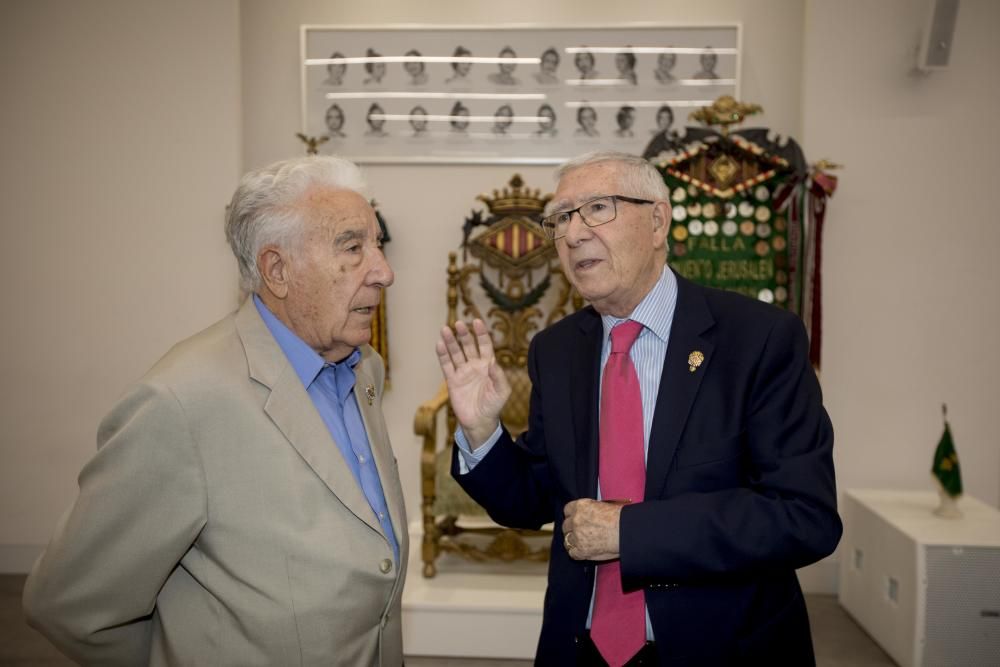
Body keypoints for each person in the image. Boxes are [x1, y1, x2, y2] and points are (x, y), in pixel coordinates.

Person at [435, 152, 841, 665]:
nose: (574, 234)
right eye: (560, 219)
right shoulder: (556, 350)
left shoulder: (759, 339)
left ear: (657, 220)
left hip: (720, 648)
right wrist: (481, 431)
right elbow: (535, 498)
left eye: (597, 208)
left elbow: (804, 517)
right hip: (580, 648)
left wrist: (629, 532)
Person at [23, 155, 408, 666]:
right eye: (353, 247)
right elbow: (66, 604)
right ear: (277, 269)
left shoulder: (364, 370)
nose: (384, 272)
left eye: (376, 245)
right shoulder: (180, 402)